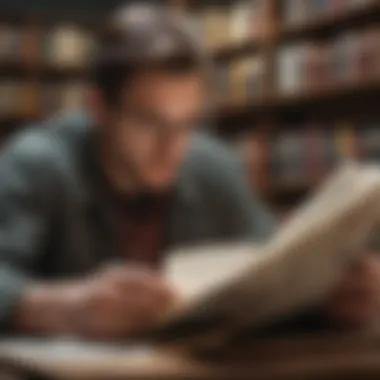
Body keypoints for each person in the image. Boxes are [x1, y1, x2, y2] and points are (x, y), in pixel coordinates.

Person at [0, 4, 378, 340]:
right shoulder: (37, 165)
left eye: (186, 124)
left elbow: (271, 268)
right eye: (150, 123)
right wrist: (70, 308)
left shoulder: (210, 166)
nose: (173, 147)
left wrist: (324, 295)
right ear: (99, 108)